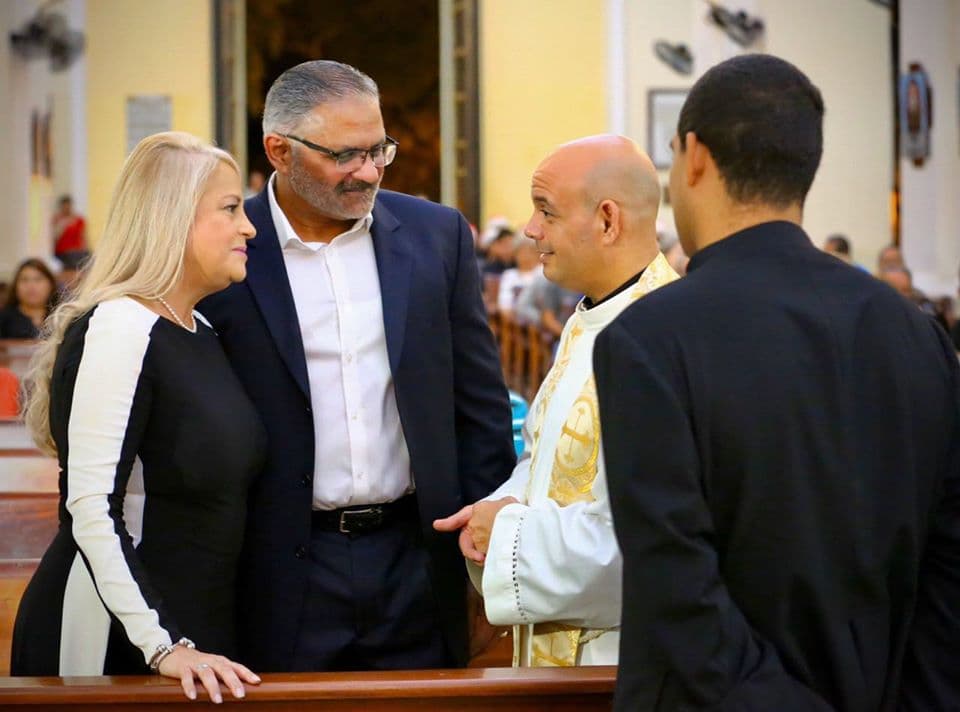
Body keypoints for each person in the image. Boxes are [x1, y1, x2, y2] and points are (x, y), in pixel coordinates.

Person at [594, 53, 960, 710]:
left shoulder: (650, 339)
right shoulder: (915, 333)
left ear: (695, 156)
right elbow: (949, 567)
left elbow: (679, 591)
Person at [198, 59, 515, 673]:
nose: (368, 172)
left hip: (417, 557)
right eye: (345, 155)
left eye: (379, 150)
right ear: (279, 150)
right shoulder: (227, 248)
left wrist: (486, 568)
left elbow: (479, 407)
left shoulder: (435, 236)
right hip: (277, 563)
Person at [11, 132, 265, 703]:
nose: (248, 227)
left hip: (191, 634)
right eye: (229, 209)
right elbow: (91, 506)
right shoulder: (120, 327)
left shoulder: (199, 331)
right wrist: (162, 644)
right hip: (119, 635)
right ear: (170, 218)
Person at [435, 135, 679, 666]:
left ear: (608, 220)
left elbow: (651, 542)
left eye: (546, 211)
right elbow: (547, 459)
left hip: (621, 665)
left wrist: (508, 535)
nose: (530, 229)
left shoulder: (667, 339)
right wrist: (496, 507)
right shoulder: (589, 320)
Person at [0, 258, 58, 338]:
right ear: (15, 286)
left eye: (38, 279)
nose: (31, 286)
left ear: (51, 284)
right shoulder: (4, 319)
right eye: (24, 280)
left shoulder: (62, 316)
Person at [51, 194, 87, 261]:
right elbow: (54, 238)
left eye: (68, 206)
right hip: (62, 252)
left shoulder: (79, 220)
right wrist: (62, 225)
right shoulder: (56, 219)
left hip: (77, 251)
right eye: (65, 206)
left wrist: (85, 248)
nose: (67, 208)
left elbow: (83, 237)